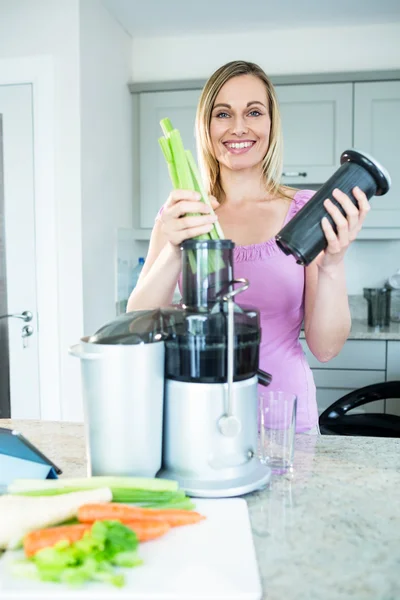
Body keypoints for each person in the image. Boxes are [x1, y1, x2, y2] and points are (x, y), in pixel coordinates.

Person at [126, 60, 370, 434]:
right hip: (197, 418)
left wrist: (332, 265)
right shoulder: (182, 213)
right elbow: (138, 325)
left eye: (254, 112)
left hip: (284, 418)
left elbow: (325, 347)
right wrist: (176, 249)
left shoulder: (304, 212)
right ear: (206, 127)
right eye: (223, 113)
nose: (238, 127)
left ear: (271, 124)